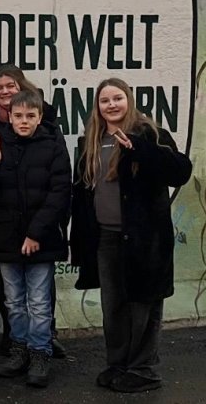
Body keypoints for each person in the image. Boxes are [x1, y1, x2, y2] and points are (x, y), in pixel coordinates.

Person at [71, 78, 191, 393]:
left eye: (117, 98)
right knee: (113, 307)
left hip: (144, 239)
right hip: (106, 239)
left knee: (143, 306)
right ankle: (118, 364)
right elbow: (82, 192)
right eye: (104, 100)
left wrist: (141, 149)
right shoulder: (91, 140)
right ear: (97, 106)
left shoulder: (151, 134)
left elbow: (180, 171)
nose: (111, 105)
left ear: (129, 100)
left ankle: (143, 370)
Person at [0, 90, 71, 388]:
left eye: (30, 116)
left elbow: (59, 193)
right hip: (5, 239)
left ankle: (40, 352)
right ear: (10, 117)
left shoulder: (53, 146)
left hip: (41, 241)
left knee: (39, 302)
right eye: (18, 116)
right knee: (14, 301)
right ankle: (19, 350)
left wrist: (35, 233)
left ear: (40, 117)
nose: (24, 121)